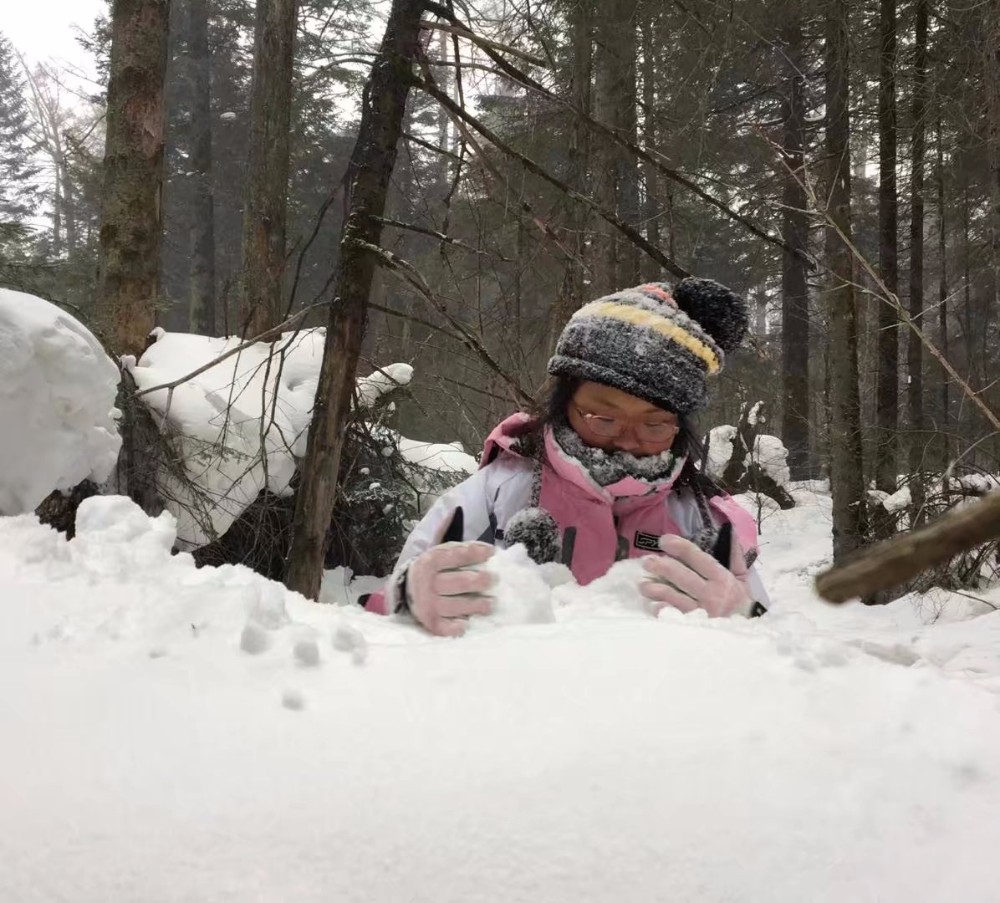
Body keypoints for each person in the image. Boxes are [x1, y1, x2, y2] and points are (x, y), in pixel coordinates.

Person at [364, 278, 770, 636]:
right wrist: (409, 598)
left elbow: (780, 655)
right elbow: (389, 615)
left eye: (654, 425)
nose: (627, 441)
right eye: (604, 418)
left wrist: (745, 618)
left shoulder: (705, 521)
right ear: (564, 404)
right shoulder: (496, 494)